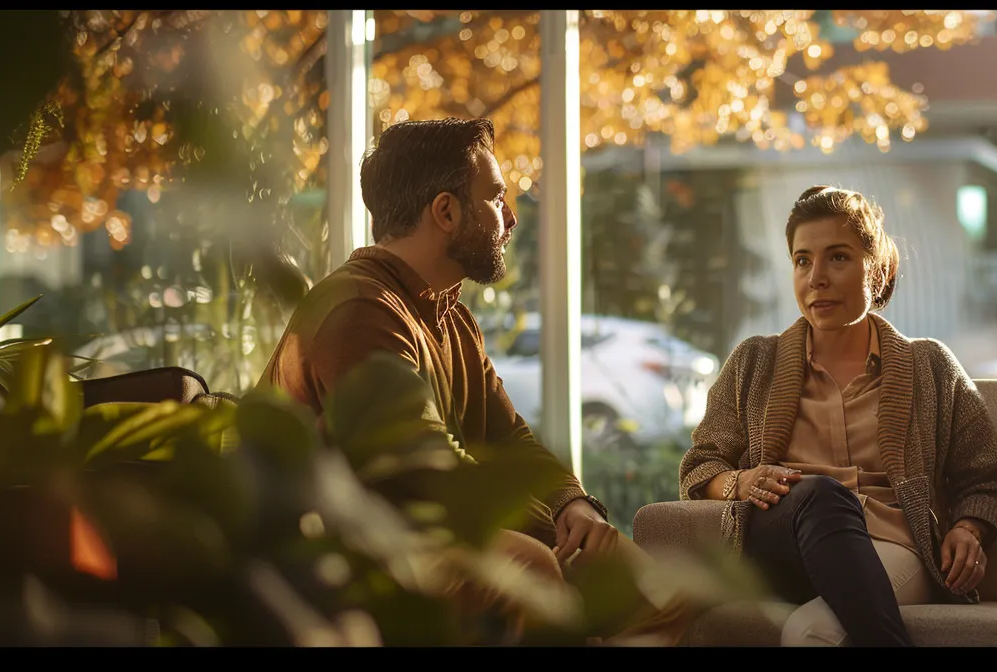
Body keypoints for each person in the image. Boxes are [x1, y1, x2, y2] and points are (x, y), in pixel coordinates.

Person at [258, 117, 685, 644]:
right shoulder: (357, 311)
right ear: (446, 211)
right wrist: (552, 532)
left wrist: (571, 504)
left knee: (658, 589)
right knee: (527, 568)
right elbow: (423, 473)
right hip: (349, 551)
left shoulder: (451, 319)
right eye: (497, 197)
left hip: (432, 532)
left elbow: (510, 439)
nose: (510, 217)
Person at [678, 185, 997, 647]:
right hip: (784, 546)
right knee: (819, 496)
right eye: (802, 260)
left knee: (811, 631)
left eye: (837, 258)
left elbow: (988, 475)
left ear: (874, 270)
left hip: (892, 549)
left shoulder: (929, 366)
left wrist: (968, 527)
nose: (816, 277)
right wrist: (740, 481)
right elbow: (700, 467)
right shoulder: (753, 362)